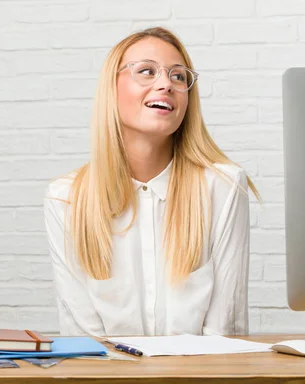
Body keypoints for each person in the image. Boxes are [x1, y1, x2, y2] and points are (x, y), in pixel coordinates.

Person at [43, 27, 260, 337]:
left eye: (178, 77)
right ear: (111, 88)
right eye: (147, 71)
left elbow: (226, 328)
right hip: (109, 382)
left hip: (204, 381)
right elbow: (83, 338)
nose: (165, 85)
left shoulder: (222, 186)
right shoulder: (65, 198)